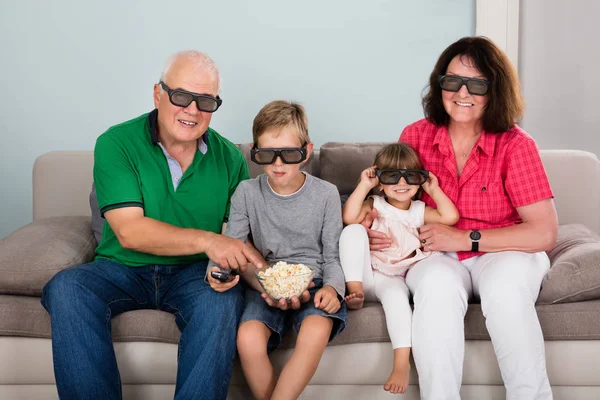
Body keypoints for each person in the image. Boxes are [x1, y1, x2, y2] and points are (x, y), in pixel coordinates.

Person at [40, 50, 264, 400]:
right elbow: (130, 232)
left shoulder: (230, 159)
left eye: (205, 101)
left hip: (194, 274)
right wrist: (209, 242)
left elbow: (230, 237)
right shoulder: (117, 143)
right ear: (158, 94)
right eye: (181, 96)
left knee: (223, 301)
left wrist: (230, 268)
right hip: (121, 269)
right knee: (67, 287)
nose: (192, 110)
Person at [365, 36, 558, 399]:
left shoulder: (517, 145)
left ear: (494, 90)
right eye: (452, 81)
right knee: (435, 291)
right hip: (435, 254)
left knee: (505, 292)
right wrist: (371, 228)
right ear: (440, 85)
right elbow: (391, 197)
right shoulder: (415, 136)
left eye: (477, 84)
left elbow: (544, 233)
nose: (462, 92)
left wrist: (466, 238)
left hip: (506, 251)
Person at [207, 100, 347, 400]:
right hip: (264, 282)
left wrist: (335, 289)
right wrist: (219, 272)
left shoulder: (326, 194)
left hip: (316, 281)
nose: (278, 164)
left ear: (307, 152)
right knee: (247, 338)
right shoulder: (246, 192)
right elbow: (232, 246)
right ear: (255, 152)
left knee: (315, 332)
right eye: (267, 155)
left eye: (289, 154)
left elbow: (333, 255)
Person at [340, 142, 459, 394]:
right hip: (371, 273)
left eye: (411, 176)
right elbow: (349, 217)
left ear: (419, 181)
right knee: (352, 231)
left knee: (397, 302)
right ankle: (354, 291)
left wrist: (434, 190)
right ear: (380, 182)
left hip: (396, 279)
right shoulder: (374, 204)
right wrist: (364, 185)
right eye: (392, 176)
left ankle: (401, 363)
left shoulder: (418, 210)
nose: (402, 183)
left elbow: (450, 217)